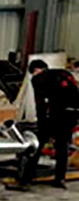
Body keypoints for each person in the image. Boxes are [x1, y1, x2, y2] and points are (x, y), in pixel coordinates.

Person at [17, 60, 79, 189]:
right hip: (71, 115)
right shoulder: (65, 74)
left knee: (37, 146)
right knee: (62, 147)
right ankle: (60, 179)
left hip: (54, 115)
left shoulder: (38, 79)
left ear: (35, 70)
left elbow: (40, 102)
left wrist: (42, 122)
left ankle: (25, 180)